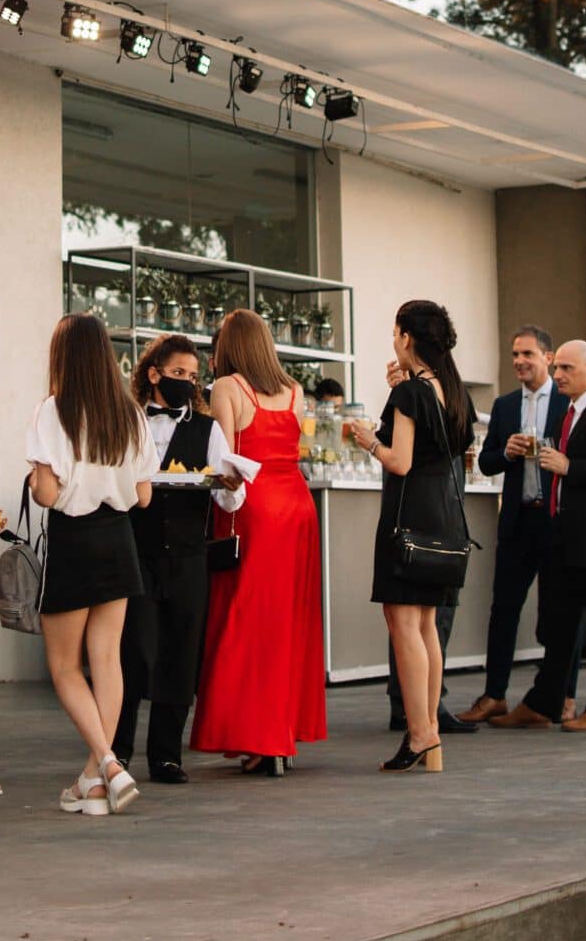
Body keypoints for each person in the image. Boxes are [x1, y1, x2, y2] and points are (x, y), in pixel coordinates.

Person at [27, 313, 156, 817]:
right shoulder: (130, 414)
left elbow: (46, 493)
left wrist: (38, 481)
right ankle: (94, 780)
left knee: (65, 665)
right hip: (119, 539)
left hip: (74, 539)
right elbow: (143, 496)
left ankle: (107, 762)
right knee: (107, 660)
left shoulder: (52, 410)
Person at [190, 308, 327, 775]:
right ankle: (282, 735)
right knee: (290, 621)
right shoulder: (295, 392)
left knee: (246, 620)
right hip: (298, 508)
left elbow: (225, 459)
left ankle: (258, 737)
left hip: (255, 507)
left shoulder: (227, 387)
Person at [347, 300, 475, 773]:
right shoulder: (454, 390)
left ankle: (420, 732)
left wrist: (368, 440)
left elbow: (399, 461)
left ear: (406, 337)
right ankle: (430, 733)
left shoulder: (410, 394)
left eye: (395, 332)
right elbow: (448, 450)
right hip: (444, 516)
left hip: (408, 515)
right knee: (426, 625)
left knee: (403, 624)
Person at [115, 334, 244, 785]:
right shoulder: (128, 422)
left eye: (192, 376)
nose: (187, 383)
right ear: (154, 374)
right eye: (177, 374)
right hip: (137, 551)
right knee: (133, 652)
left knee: (181, 653)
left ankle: (166, 755)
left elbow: (230, 498)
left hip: (189, 557)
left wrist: (231, 485)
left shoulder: (208, 430)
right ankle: (116, 751)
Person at [493, 339, 586, 734]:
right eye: (557, 368)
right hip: (563, 536)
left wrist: (570, 466)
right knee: (558, 626)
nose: (558, 376)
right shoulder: (565, 414)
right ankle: (544, 703)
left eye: (567, 369)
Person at [457, 325, 565, 725]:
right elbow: (485, 464)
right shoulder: (503, 406)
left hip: (555, 520)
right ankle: (494, 695)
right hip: (518, 520)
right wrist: (506, 451)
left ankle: (561, 696)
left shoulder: (566, 402)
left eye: (527, 354)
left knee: (557, 612)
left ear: (548, 358)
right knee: (503, 609)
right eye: (515, 354)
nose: (519, 361)